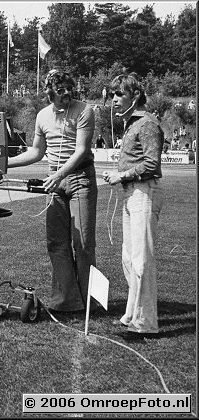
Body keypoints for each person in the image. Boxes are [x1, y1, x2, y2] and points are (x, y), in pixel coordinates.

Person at [7, 69, 97, 313]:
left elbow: (80, 150)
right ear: (49, 93)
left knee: (83, 243)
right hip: (55, 184)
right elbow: (36, 152)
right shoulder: (42, 116)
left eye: (69, 90)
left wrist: (59, 174)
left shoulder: (85, 110)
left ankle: (90, 301)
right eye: (60, 93)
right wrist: (3, 164)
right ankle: (67, 300)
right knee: (56, 243)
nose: (66, 96)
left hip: (80, 179)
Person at [102, 73, 165, 339]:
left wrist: (123, 175)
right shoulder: (131, 124)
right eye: (113, 96)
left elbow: (152, 165)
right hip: (130, 193)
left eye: (119, 95)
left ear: (135, 96)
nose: (114, 100)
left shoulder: (147, 124)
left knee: (142, 260)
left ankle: (147, 321)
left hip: (143, 192)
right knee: (129, 258)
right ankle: (132, 313)